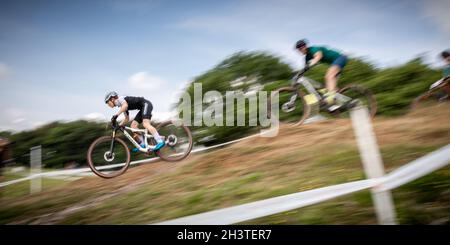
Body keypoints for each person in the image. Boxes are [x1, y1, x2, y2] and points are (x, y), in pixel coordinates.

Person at [295, 39, 349, 111]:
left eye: (301, 47)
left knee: (329, 76)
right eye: (299, 49)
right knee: (329, 87)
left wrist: (310, 64)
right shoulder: (307, 57)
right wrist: (298, 74)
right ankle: (340, 103)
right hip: (334, 62)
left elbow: (318, 56)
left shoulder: (313, 49)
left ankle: (331, 99)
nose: (300, 50)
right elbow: (305, 68)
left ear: (305, 46)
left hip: (340, 58)